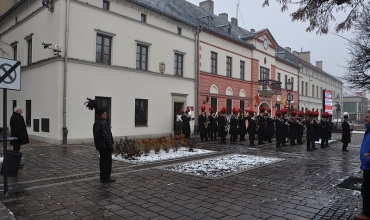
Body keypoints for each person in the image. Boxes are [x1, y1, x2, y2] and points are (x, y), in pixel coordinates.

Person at [355, 111, 370, 220]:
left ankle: (367, 214)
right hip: (367, 165)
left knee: (366, 190)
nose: (366, 118)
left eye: (368, 117)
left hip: (369, 165)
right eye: (366, 116)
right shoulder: (368, 129)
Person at [93, 107, 115, 183]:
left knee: (102, 161)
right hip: (105, 146)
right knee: (107, 162)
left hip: (100, 146)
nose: (106, 115)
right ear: (101, 115)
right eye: (105, 114)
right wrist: (110, 146)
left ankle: (103, 176)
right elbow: (106, 135)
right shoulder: (103, 123)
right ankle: (106, 177)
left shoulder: (96, 123)